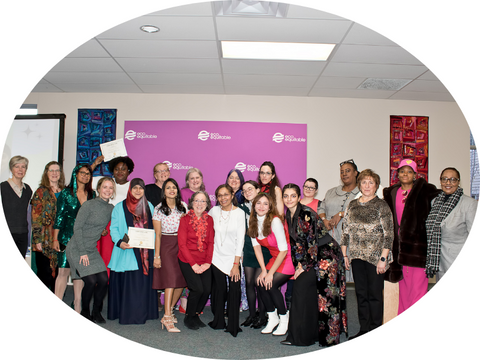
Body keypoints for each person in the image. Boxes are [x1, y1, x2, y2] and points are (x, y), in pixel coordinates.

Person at [281, 183, 347, 347]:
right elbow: (297, 243)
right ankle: (305, 336)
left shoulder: (306, 214)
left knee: (326, 297)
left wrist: (303, 265)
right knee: (306, 291)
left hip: (327, 256)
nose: (289, 199)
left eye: (293, 196)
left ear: (298, 197)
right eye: (286, 196)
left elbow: (311, 242)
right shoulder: (289, 214)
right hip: (314, 256)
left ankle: (328, 339)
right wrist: (299, 264)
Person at [341, 169, 394, 339]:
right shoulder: (353, 205)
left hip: (375, 258)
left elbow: (389, 234)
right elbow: (345, 231)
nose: (367, 185)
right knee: (360, 294)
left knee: (375, 295)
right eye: (364, 182)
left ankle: (376, 330)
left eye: (371, 182)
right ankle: (364, 330)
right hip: (356, 256)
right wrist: (345, 254)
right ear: (359, 185)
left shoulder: (381, 205)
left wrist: (383, 259)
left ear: (376, 186)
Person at [383, 159, 439, 315]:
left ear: (415, 174)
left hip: (417, 249)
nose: (405, 174)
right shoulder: (392, 192)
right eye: (402, 171)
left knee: (419, 288)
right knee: (404, 287)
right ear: (398, 174)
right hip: (399, 248)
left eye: (409, 171)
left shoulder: (425, 190)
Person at [107, 178, 159, 324]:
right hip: (126, 251)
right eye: (135, 188)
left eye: (141, 188)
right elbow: (114, 228)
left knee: (142, 284)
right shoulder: (119, 207)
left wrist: (153, 248)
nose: (137, 191)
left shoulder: (149, 206)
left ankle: (144, 313)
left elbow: (154, 230)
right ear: (130, 189)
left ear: (144, 190)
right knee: (129, 284)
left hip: (145, 253)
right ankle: (127, 314)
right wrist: (119, 242)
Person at [65, 177, 115, 322]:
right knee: (91, 281)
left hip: (91, 249)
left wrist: (103, 231)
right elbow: (78, 228)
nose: (107, 190)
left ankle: (97, 312)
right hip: (77, 247)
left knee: (104, 279)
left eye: (110, 188)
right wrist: (82, 252)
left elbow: (114, 222)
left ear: (113, 192)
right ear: (98, 189)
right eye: (104, 187)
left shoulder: (111, 208)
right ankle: (85, 313)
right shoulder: (88, 205)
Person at [248, 192, 294, 336]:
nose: (261, 206)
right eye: (259, 203)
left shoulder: (274, 221)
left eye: (265, 204)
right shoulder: (253, 222)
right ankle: (272, 318)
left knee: (271, 284)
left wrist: (270, 273)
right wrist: (263, 270)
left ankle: (284, 319)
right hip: (275, 257)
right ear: (254, 205)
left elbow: (283, 250)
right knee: (260, 282)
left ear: (269, 207)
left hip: (286, 257)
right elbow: (257, 248)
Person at [53, 164, 95, 312]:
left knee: (79, 273)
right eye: (82, 173)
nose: (85, 176)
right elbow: (59, 216)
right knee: (63, 272)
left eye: (88, 174)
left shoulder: (92, 195)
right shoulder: (66, 193)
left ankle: (77, 305)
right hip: (66, 237)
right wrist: (55, 239)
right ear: (75, 174)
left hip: (85, 239)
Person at [425, 167, 477, 281]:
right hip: (439, 260)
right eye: (445, 179)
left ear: (458, 182)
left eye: (453, 179)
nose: (448, 183)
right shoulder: (435, 202)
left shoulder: (469, 203)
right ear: (440, 181)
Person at [208, 184, 245, 337]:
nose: (223, 198)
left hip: (233, 258)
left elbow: (241, 240)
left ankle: (233, 325)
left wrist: (236, 264)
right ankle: (218, 321)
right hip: (216, 257)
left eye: (226, 194)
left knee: (234, 291)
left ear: (232, 195)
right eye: (220, 195)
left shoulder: (240, 213)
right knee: (219, 290)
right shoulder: (213, 211)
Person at [152, 178, 188, 332]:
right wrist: (157, 256)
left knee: (181, 281)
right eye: (168, 188)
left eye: (174, 187)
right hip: (166, 245)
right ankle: (167, 317)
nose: (171, 190)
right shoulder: (159, 209)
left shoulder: (183, 207)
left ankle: (170, 309)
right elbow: (158, 234)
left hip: (181, 245)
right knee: (171, 280)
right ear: (164, 191)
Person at [177, 191, 215, 330]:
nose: (199, 204)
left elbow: (210, 242)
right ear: (192, 202)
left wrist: (207, 262)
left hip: (204, 260)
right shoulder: (185, 219)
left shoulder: (209, 220)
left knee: (206, 290)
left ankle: (196, 314)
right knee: (197, 289)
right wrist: (193, 264)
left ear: (207, 204)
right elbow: (182, 245)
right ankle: (189, 316)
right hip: (187, 259)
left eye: (203, 201)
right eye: (197, 201)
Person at [319, 159, 359, 282]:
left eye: (348, 171)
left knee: (351, 275)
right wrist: (324, 220)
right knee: (331, 275)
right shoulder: (331, 192)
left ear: (356, 173)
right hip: (331, 238)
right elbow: (321, 207)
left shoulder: (362, 192)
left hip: (352, 241)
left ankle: (352, 301)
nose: (344, 174)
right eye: (342, 172)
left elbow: (362, 211)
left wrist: (341, 214)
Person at [238, 180, 272, 329]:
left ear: (258, 190)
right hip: (248, 249)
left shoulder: (265, 206)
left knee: (260, 284)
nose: (247, 192)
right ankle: (252, 315)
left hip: (263, 249)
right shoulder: (240, 209)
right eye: (244, 191)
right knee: (249, 284)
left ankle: (262, 315)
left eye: (250, 189)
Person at [95, 155, 135, 277]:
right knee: (107, 255)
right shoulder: (107, 184)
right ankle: (106, 282)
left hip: (126, 227)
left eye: (123, 169)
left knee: (123, 255)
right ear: (112, 170)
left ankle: (119, 283)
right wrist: (95, 163)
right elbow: (82, 178)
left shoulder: (133, 186)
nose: (120, 171)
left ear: (129, 171)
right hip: (106, 226)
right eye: (117, 169)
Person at [31, 161, 65, 291]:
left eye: (57, 170)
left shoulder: (65, 192)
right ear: (46, 173)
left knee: (57, 275)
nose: (55, 173)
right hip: (44, 239)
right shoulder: (40, 192)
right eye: (52, 170)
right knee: (44, 274)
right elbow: (36, 217)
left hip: (60, 239)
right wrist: (37, 240)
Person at [1, 155, 33, 258]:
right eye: (16, 166)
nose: (20, 169)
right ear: (11, 169)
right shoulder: (2, 187)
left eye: (23, 167)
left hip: (23, 235)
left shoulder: (28, 190)